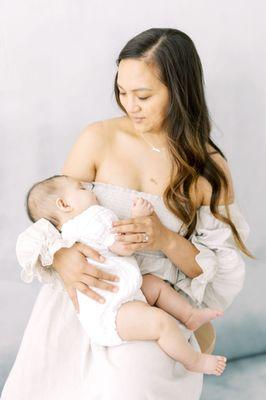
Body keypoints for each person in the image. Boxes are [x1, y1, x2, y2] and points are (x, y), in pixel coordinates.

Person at [1, 28, 251, 400]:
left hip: (150, 305)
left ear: (180, 90)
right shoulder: (98, 138)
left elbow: (215, 276)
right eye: (122, 92)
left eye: (143, 95)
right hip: (85, 294)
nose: (129, 106)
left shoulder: (208, 169)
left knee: (134, 379)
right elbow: (51, 214)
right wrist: (61, 257)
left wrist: (164, 239)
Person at [24, 174, 226, 375]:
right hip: (113, 312)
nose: (91, 190)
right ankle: (193, 360)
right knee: (161, 323)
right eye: (82, 189)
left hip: (118, 297)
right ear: (64, 204)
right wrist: (139, 218)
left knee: (153, 284)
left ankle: (189, 315)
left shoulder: (68, 234)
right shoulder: (92, 218)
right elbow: (125, 246)